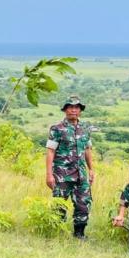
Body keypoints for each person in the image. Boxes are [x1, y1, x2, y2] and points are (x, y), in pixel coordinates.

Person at [45, 95, 95, 239]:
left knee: (84, 204)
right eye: (70, 107)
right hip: (62, 174)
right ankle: (56, 234)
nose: (74, 110)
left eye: (77, 107)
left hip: (81, 174)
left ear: (80, 110)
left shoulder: (85, 128)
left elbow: (87, 149)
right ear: (65, 110)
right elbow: (50, 151)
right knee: (59, 205)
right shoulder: (57, 129)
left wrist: (91, 169)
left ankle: (79, 234)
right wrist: (49, 175)